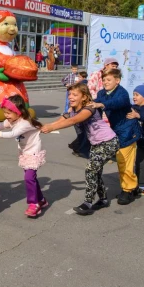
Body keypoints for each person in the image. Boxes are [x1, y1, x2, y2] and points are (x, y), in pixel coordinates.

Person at [41, 83, 120, 215]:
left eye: (75, 95)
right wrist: (48, 125)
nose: (71, 97)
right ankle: (103, 199)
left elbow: (73, 120)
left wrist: (52, 128)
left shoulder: (89, 108)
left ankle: (87, 203)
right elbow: (65, 117)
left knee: (90, 170)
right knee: (96, 171)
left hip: (109, 142)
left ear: (84, 97)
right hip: (96, 144)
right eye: (70, 94)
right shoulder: (73, 109)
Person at [0, 96, 47, 218]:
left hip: (33, 152)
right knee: (31, 178)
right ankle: (41, 199)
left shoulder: (24, 123)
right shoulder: (12, 120)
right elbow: (0, 125)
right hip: (25, 152)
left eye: (9, 113)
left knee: (29, 178)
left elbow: (12, 134)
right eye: (5, 112)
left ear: (18, 111)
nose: (6, 115)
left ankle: (33, 204)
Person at [91, 68, 141, 205]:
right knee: (121, 161)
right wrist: (78, 105)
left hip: (128, 130)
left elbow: (118, 102)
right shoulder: (102, 93)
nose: (105, 82)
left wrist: (102, 104)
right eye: (104, 80)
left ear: (117, 81)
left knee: (124, 161)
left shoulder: (122, 93)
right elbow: (95, 104)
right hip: (116, 132)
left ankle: (128, 190)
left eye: (109, 80)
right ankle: (132, 186)